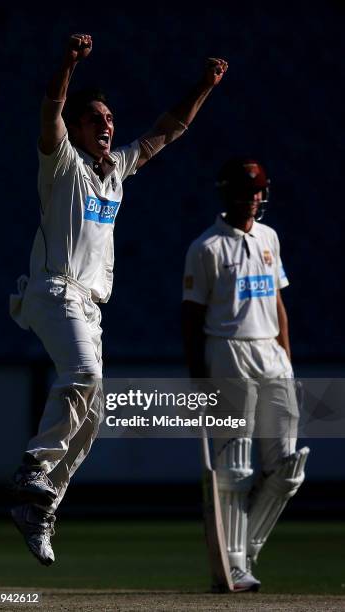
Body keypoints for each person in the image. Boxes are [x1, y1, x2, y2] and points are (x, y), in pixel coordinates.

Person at [9, 33, 228, 566]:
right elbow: (52, 108)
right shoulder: (61, 163)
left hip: (89, 305)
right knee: (84, 377)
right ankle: (33, 468)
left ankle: (40, 508)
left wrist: (203, 85)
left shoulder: (117, 173)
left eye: (110, 119)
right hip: (53, 289)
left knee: (96, 411)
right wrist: (67, 62)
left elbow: (168, 130)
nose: (107, 125)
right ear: (78, 131)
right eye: (96, 120)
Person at [181, 158, 309, 592]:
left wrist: (287, 360)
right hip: (227, 351)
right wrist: (199, 379)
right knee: (235, 466)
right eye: (246, 190)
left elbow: (277, 303)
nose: (254, 198)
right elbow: (190, 317)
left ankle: (245, 549)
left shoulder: (269, 238)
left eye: (259, 191)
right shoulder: (206, 248)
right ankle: (234, 565)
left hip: (271, 352)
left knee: (289, 466)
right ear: (227, 192)